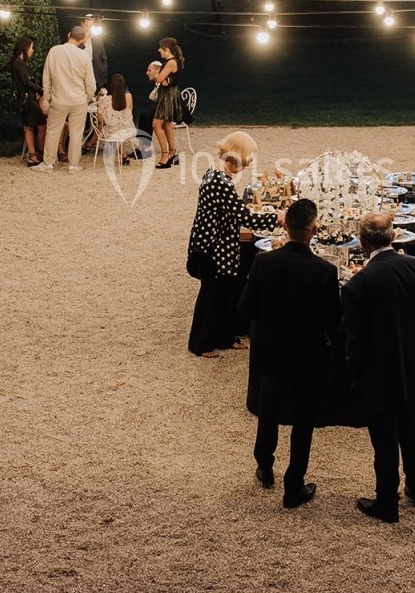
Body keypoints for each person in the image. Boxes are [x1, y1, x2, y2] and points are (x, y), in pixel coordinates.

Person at [343, 212, 415, 524]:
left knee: (385, 439)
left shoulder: (357, 286)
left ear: (362, 243)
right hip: (413, 368)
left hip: (378, 374)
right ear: (393, 237)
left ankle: (387, 502)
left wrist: (358, 372)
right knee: (413, 431)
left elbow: (356, 343)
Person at [237, 198, 341, 509]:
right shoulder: (324, 271)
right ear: (314, 230)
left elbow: (245, 309)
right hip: (308, 356)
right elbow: (333, 321)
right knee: (303, 420)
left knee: (268, 410)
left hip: (272, 351)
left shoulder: (263, 263)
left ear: (285, 226)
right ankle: (293, 484)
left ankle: (265, 465)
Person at [186, 131, 280, 358]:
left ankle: (223, 336)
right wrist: (277, 217)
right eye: (245, 161)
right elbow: (243, 217)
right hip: (212, 247)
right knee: (212, 295)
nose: (246, 166)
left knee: (224, 293)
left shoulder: (218, 174)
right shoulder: (220, 181)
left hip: (220, 243)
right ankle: (201, 343)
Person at [35, 25, 96, 173]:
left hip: (59, 99)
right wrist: (88, 97)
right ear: (82, 40)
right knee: (76, 133)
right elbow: (91, 83)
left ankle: (48, 163)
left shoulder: (54, 51)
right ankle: (73, 165)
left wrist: (48, 97)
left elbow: (46, 76)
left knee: (53, 132)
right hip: (78, 100)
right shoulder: (84, 56)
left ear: (69, 34)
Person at [10, 37, 47, 169]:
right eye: (32, 47)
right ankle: (39, 154)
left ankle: (33, 155)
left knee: (29, 127)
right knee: (42, 126)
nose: (33, 50)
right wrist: (42, 90)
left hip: (26, 100)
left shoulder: (19, 63)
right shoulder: (19, 63)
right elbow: (27, 82)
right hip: (28, 101)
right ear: (25, 48)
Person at [152, 37, 184, 169]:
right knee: (166, 124)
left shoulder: (171, 62)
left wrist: (156, 76)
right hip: (169, 94)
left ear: (167, 49)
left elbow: (159, 78)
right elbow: (163, 80)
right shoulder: (172, 62)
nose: (159, 50)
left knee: (156, 124)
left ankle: (165, 155)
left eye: (161, 48)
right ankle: (172, 153)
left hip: (168, 96)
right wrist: (162, 79)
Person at [95, 73, 136, 163]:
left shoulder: (105, 99)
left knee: (112, 129)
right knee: (117, 128)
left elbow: (100, 119)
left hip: (111, 132)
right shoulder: (129, 96)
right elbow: (129, 113)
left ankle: (123, 155)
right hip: (128, 129)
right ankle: (123, 154)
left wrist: (99, 99)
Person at [80, 14, 109, 92]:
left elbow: (103, 57)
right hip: (81, 73)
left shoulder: (97, 39)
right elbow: (74, 52)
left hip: (96, 75)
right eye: (86, 26)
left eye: (91, 27)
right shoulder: (76, 38)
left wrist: (103, 69)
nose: (88, 29)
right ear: (82, 24)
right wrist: (85, 39)